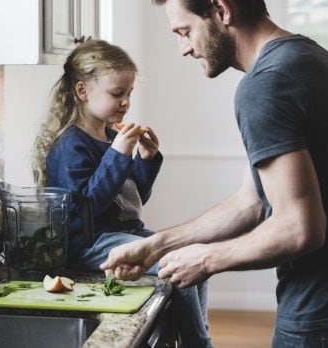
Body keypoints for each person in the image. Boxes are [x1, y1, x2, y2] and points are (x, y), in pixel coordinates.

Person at [100, 0, 328, 347]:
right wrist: (159, 245)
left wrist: (206, 259)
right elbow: (251, 202)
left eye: (185, 31)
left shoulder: (265, 86)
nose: (184, 48)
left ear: (221, 11)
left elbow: (300, 229)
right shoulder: (306, 59)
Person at [33, 39, 213, 347]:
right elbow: (84, 207)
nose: (125, 102)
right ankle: (199, 343)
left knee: (193, 256)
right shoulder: (70, 145)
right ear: (82, 91)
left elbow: (132, 198)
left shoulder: (112, 135)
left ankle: (196, 335)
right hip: (91, 243)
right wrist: (117, 155)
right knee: (174, 262)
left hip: (126, 232)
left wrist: (146, 159)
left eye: (129, 93)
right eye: (117, 93)